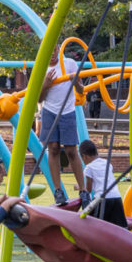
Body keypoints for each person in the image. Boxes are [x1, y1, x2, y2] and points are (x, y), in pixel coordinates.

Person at [38, 46, 89, 208]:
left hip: (67, 111)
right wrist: (45, 84)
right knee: (52, 149)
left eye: (55, 49)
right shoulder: (41, 68)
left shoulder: (70, 64)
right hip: (49, 111)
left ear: (59, 49)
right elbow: (39, 99)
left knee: (71, 150)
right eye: (49, 50)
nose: (52, 53)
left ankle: (83, 190)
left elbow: (81, 90)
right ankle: (58, 191)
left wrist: (76, 83)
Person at [78, 139, 128, 228]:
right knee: (120, 227)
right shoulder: (107, 163)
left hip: (103, 199)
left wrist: (80, 187)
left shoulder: (88, 168)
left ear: (84, 156)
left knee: (96, 225)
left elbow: (88, 190)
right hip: (116, 197)